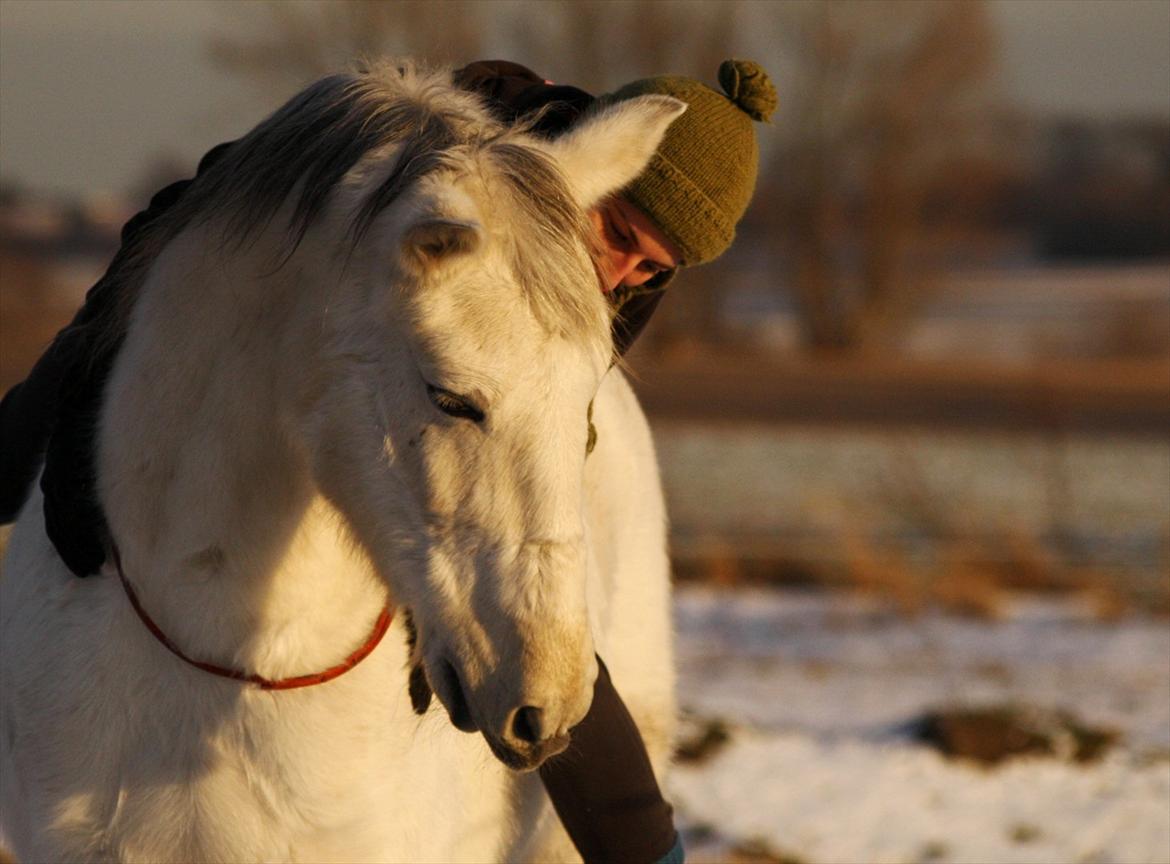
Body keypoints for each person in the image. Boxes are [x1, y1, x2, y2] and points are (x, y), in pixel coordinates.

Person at [0, 58, 775, 864]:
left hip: (478, 424)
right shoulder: (464, 172)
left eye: (652, 269)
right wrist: (78, 461)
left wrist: (439, 608)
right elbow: (185, 236)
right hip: (294, 273)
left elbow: (548, 430)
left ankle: (649, 851)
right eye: (618, 235)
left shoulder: (609, 285)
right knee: (27, 430)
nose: (619, 274)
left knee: (560, 654)